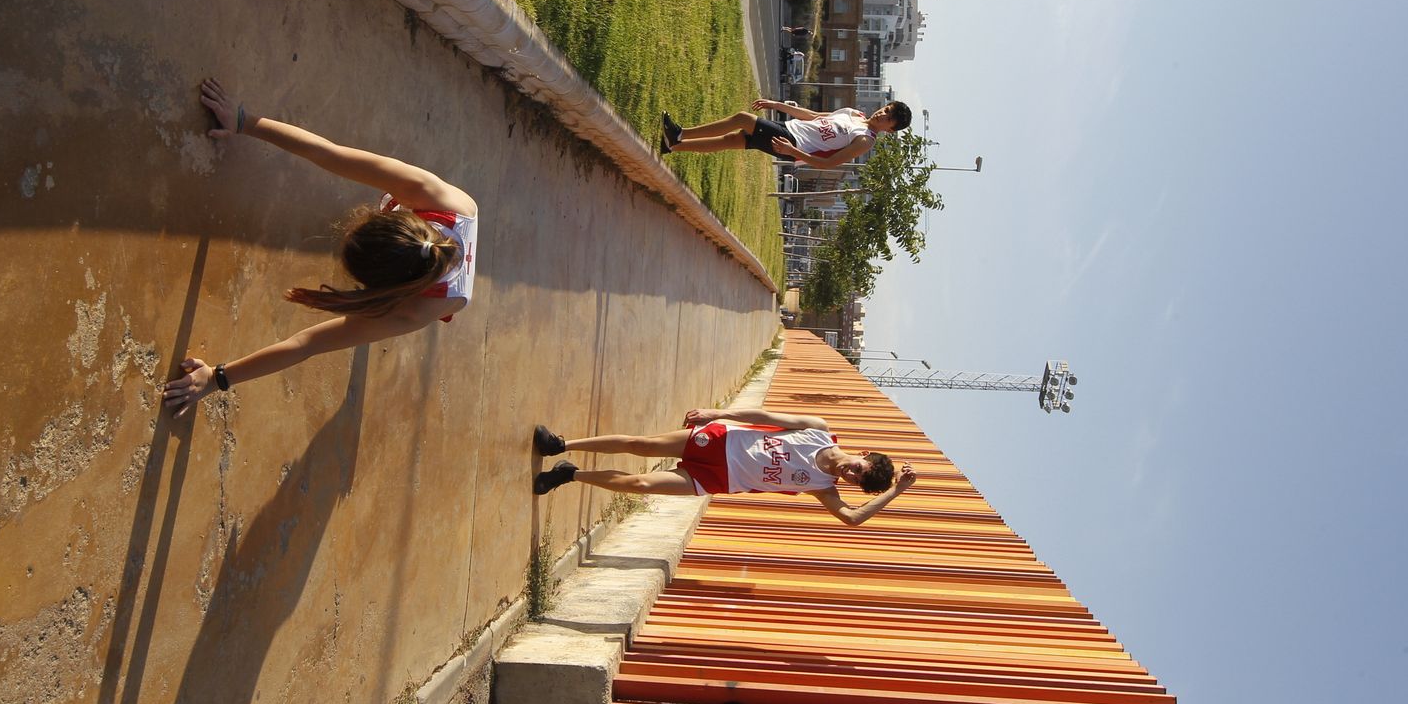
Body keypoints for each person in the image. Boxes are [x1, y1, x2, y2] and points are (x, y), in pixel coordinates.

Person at [161, 78, 478, 416]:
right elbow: (327, 153)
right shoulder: (437, 195)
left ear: (387, 288)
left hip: (441, 295)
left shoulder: (416, 310)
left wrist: (216, 378)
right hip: (434, 233)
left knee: (366, 325)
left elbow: (307, 343)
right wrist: (243, 120)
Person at [531, 408, 916, 526]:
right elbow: (766, 415)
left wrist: (896, 492)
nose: (851, 474)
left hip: (717, 478)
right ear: (864, 455)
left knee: (641, 485)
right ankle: (561, 444)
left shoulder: (822, 486)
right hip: (721, 440)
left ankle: (570, 474)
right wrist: (720, 413)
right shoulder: (819, 430)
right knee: (640, 444)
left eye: (856, 479)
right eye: (860, 469)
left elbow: (851, 519)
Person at [660, 99, 911, 168]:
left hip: (791, 144)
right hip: (789, 129)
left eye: (888, 119)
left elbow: (829, 163)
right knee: (733, 139)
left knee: (742, 119)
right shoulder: (854, 113)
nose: (882, 115)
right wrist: (778, 105)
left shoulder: (865, 140)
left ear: (889, 129)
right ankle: (673, 147)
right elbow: (813, 116)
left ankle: (679, 134)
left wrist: (793, 152)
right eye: (886, 110)